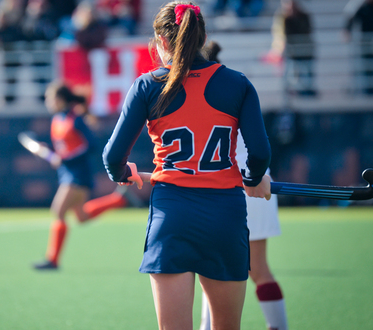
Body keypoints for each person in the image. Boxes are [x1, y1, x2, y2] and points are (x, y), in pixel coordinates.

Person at [102, 2, 272, 329]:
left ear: (161, 43)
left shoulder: (147, 85)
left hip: (172, 216)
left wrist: (123, 175)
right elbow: (260, 152)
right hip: (225, 216)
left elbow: (112, 158)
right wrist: (252, 178)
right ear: (203, 37)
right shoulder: (238, 84)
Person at [33, 81, 135, 270]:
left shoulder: (76, 119)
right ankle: (118, 200)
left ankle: (52, 260)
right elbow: (64, 148)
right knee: (81, 216)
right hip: (66, 173)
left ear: (61, 99)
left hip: (78, 173)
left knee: (58, 211)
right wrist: (47, 151)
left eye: (50, 98)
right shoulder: (57, 119)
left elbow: (90, 146)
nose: (48, 101)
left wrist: (64, 159)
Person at [200, 133, 288, 330]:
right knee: (259, 269)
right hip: (258, 183)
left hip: (220, 188)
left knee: (213, 270)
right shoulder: (245, 100)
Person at [343, 0, 373, 95]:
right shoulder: (362, 7)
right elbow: (351, 20)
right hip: (366, 44)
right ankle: (369, 91)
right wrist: (347, 31)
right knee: (367, 68)